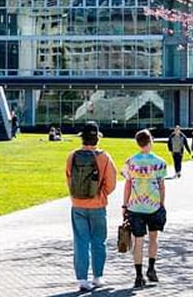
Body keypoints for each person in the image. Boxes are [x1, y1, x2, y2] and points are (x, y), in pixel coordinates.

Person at [66, 121, 117, 292]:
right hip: (98, 204)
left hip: (77, 204)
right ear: (97, 138)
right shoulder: (104, 157)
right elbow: (111, 183)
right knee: (98, 241)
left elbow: (69, 178)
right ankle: (98, 276)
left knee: (80, 242)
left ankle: (82, 278)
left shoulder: (72, 156)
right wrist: (101, 194)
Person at [122, 129, 169, 289]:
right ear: (150, 142)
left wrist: (125, 204)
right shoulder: (160, 162)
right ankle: (151, 268)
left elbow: (127, 184)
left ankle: (138, 275)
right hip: (154, 205)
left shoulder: (130, 162)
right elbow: (162, 186)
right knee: (153, 239)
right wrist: (162, 204)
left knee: (138, 241)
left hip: (135, 206)